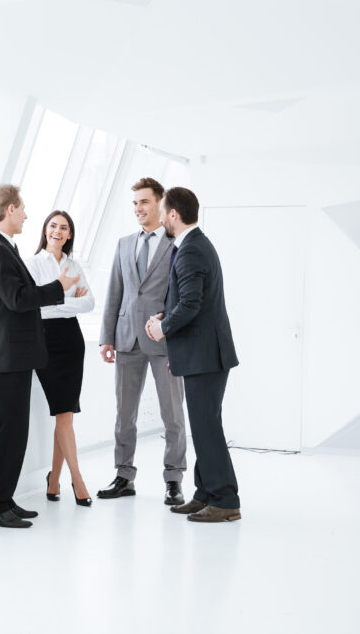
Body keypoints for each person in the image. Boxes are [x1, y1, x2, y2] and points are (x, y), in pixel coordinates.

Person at [0, 185, 80, 529]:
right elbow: (18, 298)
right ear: (9, 210)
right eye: (22, 210)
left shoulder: (1, 248)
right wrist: (58, 288)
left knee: (6, 430)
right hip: (8, 356)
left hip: (10, 355)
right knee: (10, 431)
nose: (26, 216)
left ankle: (1, 499)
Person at [146, 186, 241, 522]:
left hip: (206, 356)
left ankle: (226, 501)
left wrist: (162, 328)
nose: (160, 218)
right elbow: (187, 302)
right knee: (204, 425)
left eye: (162, 212)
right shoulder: (195, 245)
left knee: (206, 427)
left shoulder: (190, 251)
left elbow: (190, 304)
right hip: (204, 354)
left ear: (173, 214)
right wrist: (165, 316)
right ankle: (205, 493)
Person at [97, 177, 188, 506]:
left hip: (163, 341)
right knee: (125, 415)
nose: (138, 208)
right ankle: (124, 476)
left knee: (173, 414)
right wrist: (106, 337)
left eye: (145, 202)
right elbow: (114, 293)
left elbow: (181, 295)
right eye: (134, 202)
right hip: (125, 340)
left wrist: (172, 333)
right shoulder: (123, 244)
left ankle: (174, 479)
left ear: (160, 202)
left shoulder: (174, 242)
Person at [24, 210, 95, 507]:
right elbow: (35, 308)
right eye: (53, 226)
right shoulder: (33, 263)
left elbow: (89, 302)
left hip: (72, 342)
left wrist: (57, 299)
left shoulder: (74, 264)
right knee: (63, 413)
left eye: (63, 227)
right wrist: (68, 300)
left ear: (69, 234)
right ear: (45, 230)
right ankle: (77, 480)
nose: (57, 231)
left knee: (64, 413)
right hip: (45, 341)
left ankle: (54, 481)